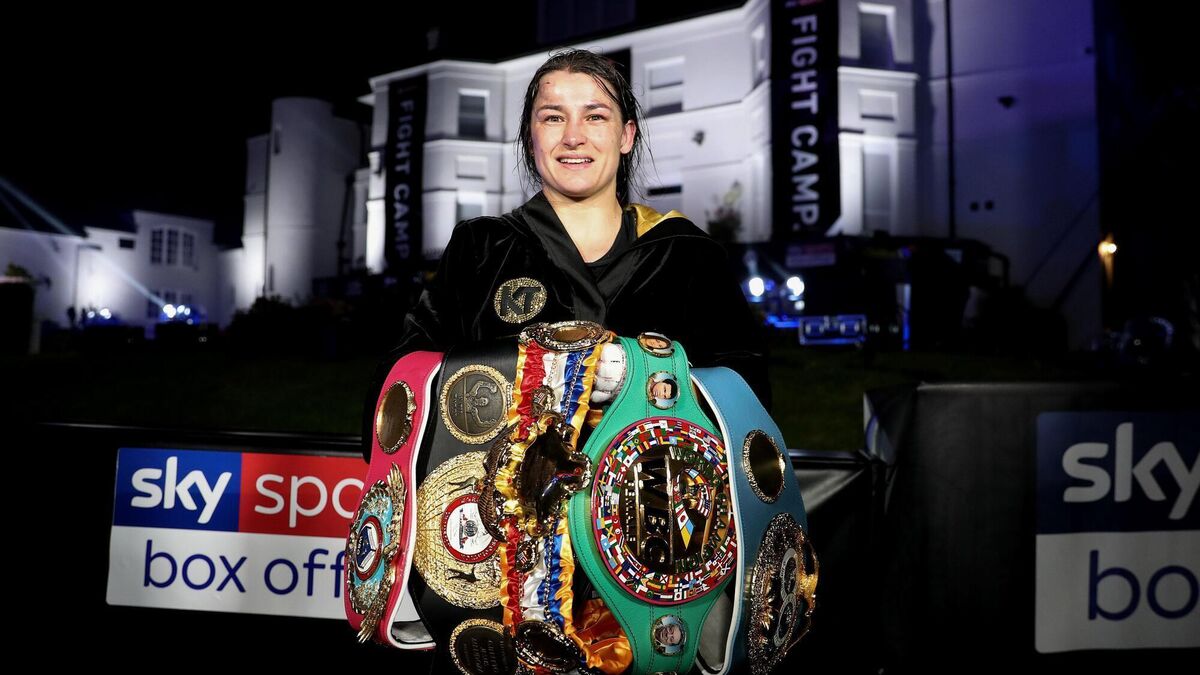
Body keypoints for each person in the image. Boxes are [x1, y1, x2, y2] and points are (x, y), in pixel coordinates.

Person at [361, 48, 769, 461]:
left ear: (626, 136)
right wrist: (539, 372)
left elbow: (750, 395)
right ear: (530, 137)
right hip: (504, 498)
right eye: (553, 117)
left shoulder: (687, 254)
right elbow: (397, 385)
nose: (574, 136)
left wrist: (643, 375)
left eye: (595, 117)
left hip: (655, 495)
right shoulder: (481, 248)